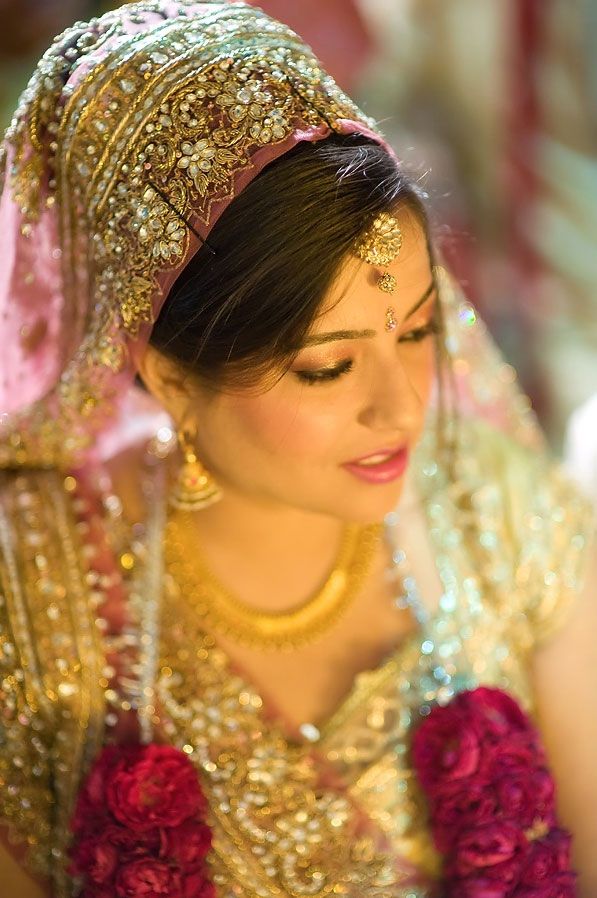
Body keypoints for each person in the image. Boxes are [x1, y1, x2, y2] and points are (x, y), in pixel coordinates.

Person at [0, 3, 595, 897]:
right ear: (166, 377)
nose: (402, 407)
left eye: (420, 329)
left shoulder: (502, 512)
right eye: (326, 366)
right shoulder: (33, 589)